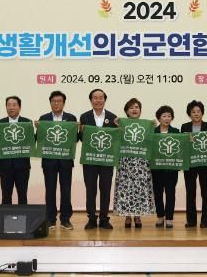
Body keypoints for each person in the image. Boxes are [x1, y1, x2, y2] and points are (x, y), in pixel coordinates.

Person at [37, 90, 77, 230]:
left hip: (65, 160)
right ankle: (50, 219)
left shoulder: (71, 118)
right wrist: (38, 129)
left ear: (64, 103)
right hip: (49, 160)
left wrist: (78, 129)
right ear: (50, 103)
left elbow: (74, 139)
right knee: (50, 190)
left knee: (66, 190)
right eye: (54, 101)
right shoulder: (44, 118)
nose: (56, 103)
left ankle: (65, 219)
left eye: (59, 101)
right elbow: (40, 140)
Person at [79, 88, 118, 230]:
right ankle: (91, 218)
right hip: (90, 160)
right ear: (91, 100)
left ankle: (103, 218)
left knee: (105, 189)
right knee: (90, 189)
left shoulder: (113, 118)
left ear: (105, 100)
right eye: (95, 98)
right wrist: (80, 131)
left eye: (101, 97)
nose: (98, 100)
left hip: (107, 160)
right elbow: (82, 139)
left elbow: (116, 138)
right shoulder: (84, 116)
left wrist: (120, 127)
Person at [112, 98, 155, 229]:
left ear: (140, 111)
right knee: (126, 189)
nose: (134, 109)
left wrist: (153, 126)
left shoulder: (147, 125)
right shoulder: (121, 124)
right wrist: (117, 126)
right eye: (131, 108)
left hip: (141, 162)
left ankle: (137, 216)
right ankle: (127, 216)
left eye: (136, 107)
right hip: (126, 162)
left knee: (139, 189)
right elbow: (116, 140)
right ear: (127, 111)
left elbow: (149, 142)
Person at [181, 100, 207, 228]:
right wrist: (186, 140)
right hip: (190, 163)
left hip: (205, 162)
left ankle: (205, 220)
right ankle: (191, 220)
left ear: (202, 113)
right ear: (189, 114)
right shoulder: (184, 127)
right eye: (193, 112)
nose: (196, 114)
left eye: (198, 111)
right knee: (190, 192)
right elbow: (182, 144)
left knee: (206, 192)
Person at [0, 96, 32, 205]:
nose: (11, 107)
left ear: (19, 107)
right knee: (6, 195)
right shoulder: (0, 123)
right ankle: (6, 216)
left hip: (22, 166)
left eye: (14, 105)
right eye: (9, 105)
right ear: (6, 107)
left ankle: (23, 216)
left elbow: (31, 142)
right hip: (5, 166)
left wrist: (38, 129)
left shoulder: (27, 122)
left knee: (22, 194)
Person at [152, 105, 179, 228]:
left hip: (171, 169)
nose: (167, 118)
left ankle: (169, 218)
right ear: (159, 118)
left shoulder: (176, 132)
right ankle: (160, 216)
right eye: (164, 116)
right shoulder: (153, 131)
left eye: (169, 116)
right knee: (157, 193)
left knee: (170, 193)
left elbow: (181, 148)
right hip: (156, 168)